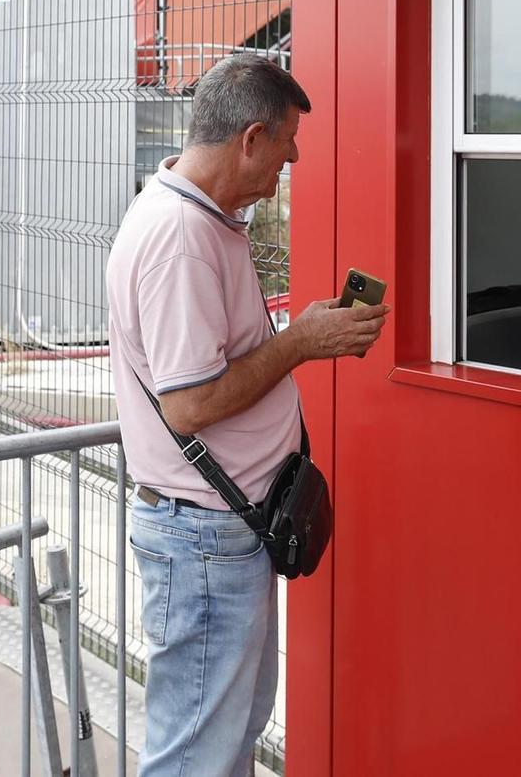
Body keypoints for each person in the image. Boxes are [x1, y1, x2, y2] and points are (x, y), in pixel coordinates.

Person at [109, 54, 387, 775]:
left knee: (224, 737)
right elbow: (191, 401)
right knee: (197, 753)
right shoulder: (180, 239)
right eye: (287, 145)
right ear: (251, 137)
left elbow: (212, 355)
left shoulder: (202, 220)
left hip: (218, 533)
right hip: (203, 536)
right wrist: (300, 342)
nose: (290, 163)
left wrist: (298, 328)